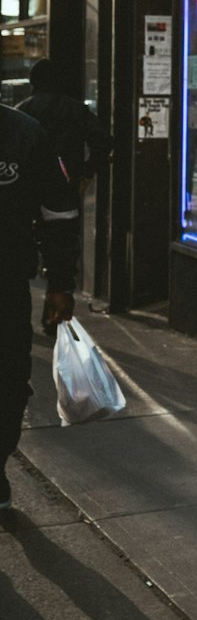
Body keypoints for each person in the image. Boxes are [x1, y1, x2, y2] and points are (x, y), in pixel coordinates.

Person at [0, 101, 80, 510]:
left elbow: (60, 212)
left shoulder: (26, 135)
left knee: (10, 378)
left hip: (7, 282)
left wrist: (61, 284)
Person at [17, 58, 113, 195]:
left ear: (33, 81)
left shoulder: (22, 109)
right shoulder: (76, 109)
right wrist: (87, 172)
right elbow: (103, 141)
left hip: (28, 183)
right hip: (66, 182)